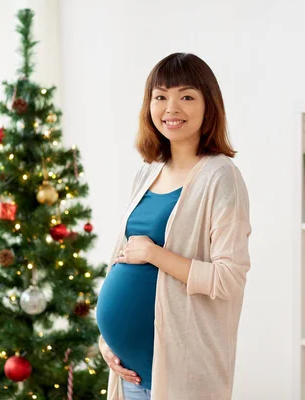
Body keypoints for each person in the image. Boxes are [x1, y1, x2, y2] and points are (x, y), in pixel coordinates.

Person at [95, 52, 252, 400]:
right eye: (160, 96)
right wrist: (107, 341)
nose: (171, 108)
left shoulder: (221, 177)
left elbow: (228, 278)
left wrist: (154, 254)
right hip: (129, 374)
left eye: (186, 96)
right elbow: (121, 261)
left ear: (208, 105)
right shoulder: (146, 171)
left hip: (181, 374)